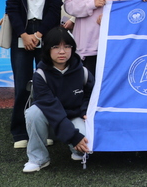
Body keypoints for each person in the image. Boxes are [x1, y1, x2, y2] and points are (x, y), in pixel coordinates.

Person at [5, 0, 64, 148]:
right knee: (22, 86)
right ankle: (20, 132)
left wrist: (38, 35)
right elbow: (12, 7)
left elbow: (54, 11)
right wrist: (23, 34)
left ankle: (45, 130)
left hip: (46, 34)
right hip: (21, 33)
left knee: (46, 85)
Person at [23, 27, 95, 173]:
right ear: (47, 49)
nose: (62, 52)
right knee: (33, 113)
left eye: (67, 47)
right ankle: (38, 159)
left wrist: (85, 111)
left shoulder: (83, 72)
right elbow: (51, 107)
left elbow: (91, 96)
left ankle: (77, 151)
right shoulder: (40, 74)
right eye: (56, 47)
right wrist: (74, 136)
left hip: (74, 116)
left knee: (85, 148)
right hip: (50, 119)